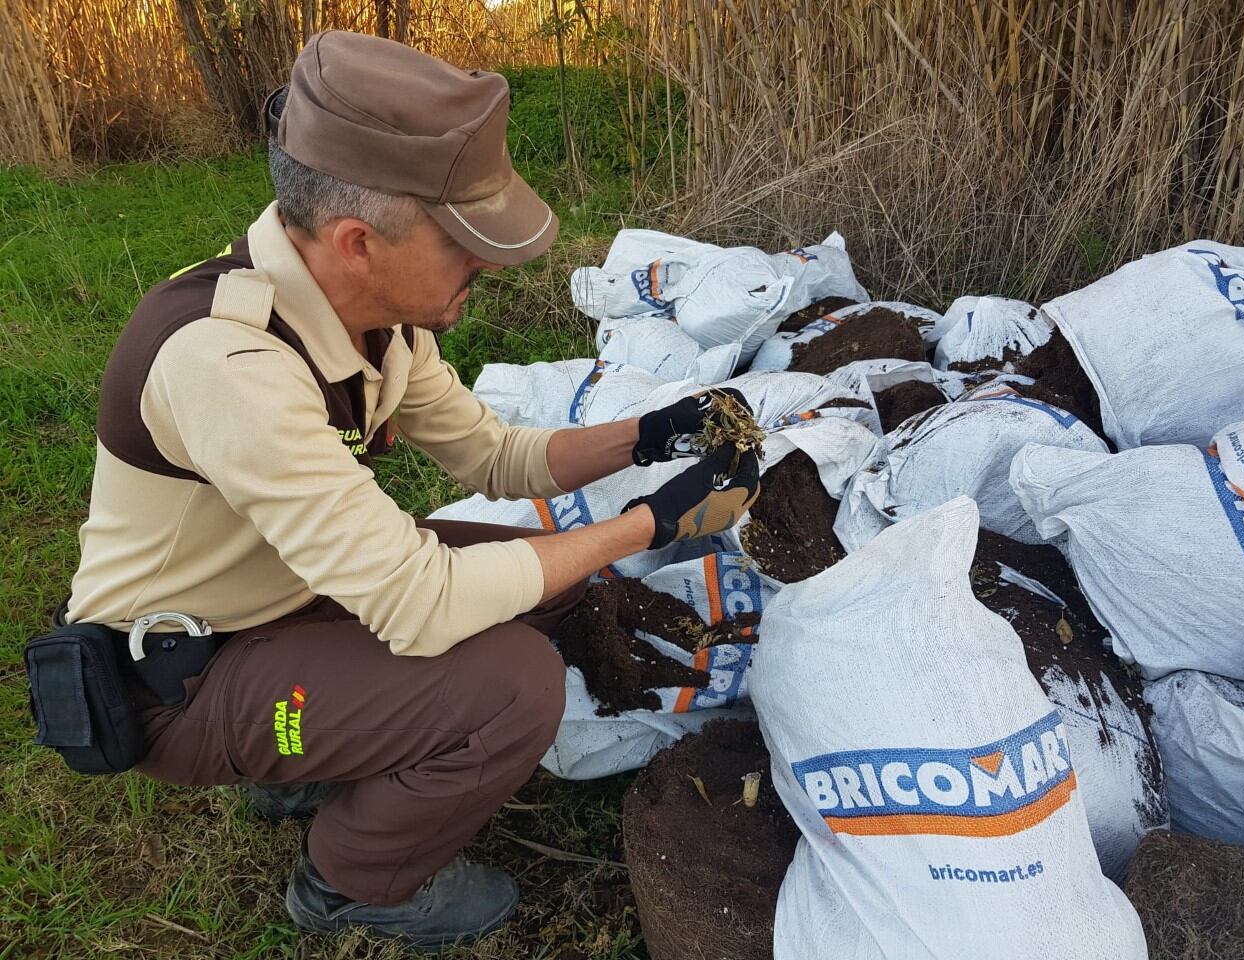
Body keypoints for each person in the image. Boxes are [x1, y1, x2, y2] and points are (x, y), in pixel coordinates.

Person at [60, 30, 759, 954]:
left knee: (543, 582)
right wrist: (650, 522)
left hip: (286, 601)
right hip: (180, 678)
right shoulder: (229, 361)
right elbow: (418, 606)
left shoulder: (375, 322)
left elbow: (496, 458)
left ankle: (329, 747)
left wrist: (653, 432)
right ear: (359, 241)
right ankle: (353, 882)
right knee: (514, 687)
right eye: (465, 249)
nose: (490, 267)